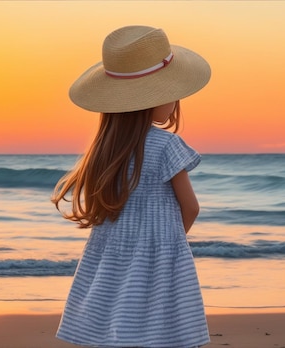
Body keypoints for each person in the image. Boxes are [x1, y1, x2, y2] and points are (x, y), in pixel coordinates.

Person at [52, 25, 211, 348]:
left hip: (110, 254)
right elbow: (190, 207)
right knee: (162, 329)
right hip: (160, 253)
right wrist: (168, 243)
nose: (176, 99)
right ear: (152, 99)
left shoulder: (104, 150)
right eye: (170, 90)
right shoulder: (166, 145)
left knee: (115, 322)